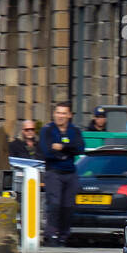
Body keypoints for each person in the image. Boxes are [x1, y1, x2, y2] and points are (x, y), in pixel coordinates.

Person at [39, 102, 85, 245]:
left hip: (70, 173)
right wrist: (67, 150)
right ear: (54, 114)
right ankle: (51, 235)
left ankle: (64, 236)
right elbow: (47, 152)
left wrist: (62, 147)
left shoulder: (74, 130)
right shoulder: (47, 130)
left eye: (64, 113)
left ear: (69, 115)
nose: (60, 116)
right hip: (54, 172)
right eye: (58, 113)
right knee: (54, 204)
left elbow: (80, 148)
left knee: (68, 206)